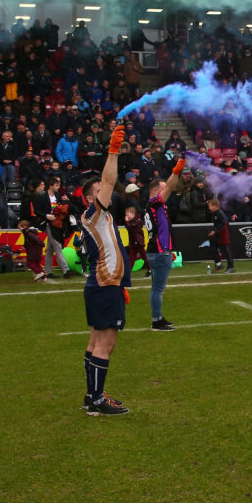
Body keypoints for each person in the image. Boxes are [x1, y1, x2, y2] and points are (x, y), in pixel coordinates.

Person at [79, 125, 132, 417]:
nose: (106, 190)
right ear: (91, 196)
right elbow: (109, 179)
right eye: (99, 190)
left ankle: (92, 396)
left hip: (102, 285)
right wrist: (113, 150)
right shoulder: (93, 213)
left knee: (95, 342)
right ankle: (97, 401)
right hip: (104, 285)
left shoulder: (102, 216)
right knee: (106, 344)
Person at [143, 156, 187, 330]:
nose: (167, 191)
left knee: (156, 288)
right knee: (158, 289)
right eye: (161, 190)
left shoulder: (154, 205)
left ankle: (158, 317)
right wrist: (176, 171)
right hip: (160, 251)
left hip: (156, 250)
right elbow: (170, 186)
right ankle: (156, 320)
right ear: (155, 192)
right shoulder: (154, 203)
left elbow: (170, 186)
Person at [207, 196, 234, 273]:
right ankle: (218, 264)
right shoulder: (215, 213)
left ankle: (231, 267)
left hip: (224, 234)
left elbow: (224, 223)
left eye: (210, 206)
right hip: (218, 234)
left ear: (215, 206)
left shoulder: (220, 213)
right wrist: (214, 231)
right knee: (212, 246)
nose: (209, 208)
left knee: (226, 251)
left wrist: (214, 231)